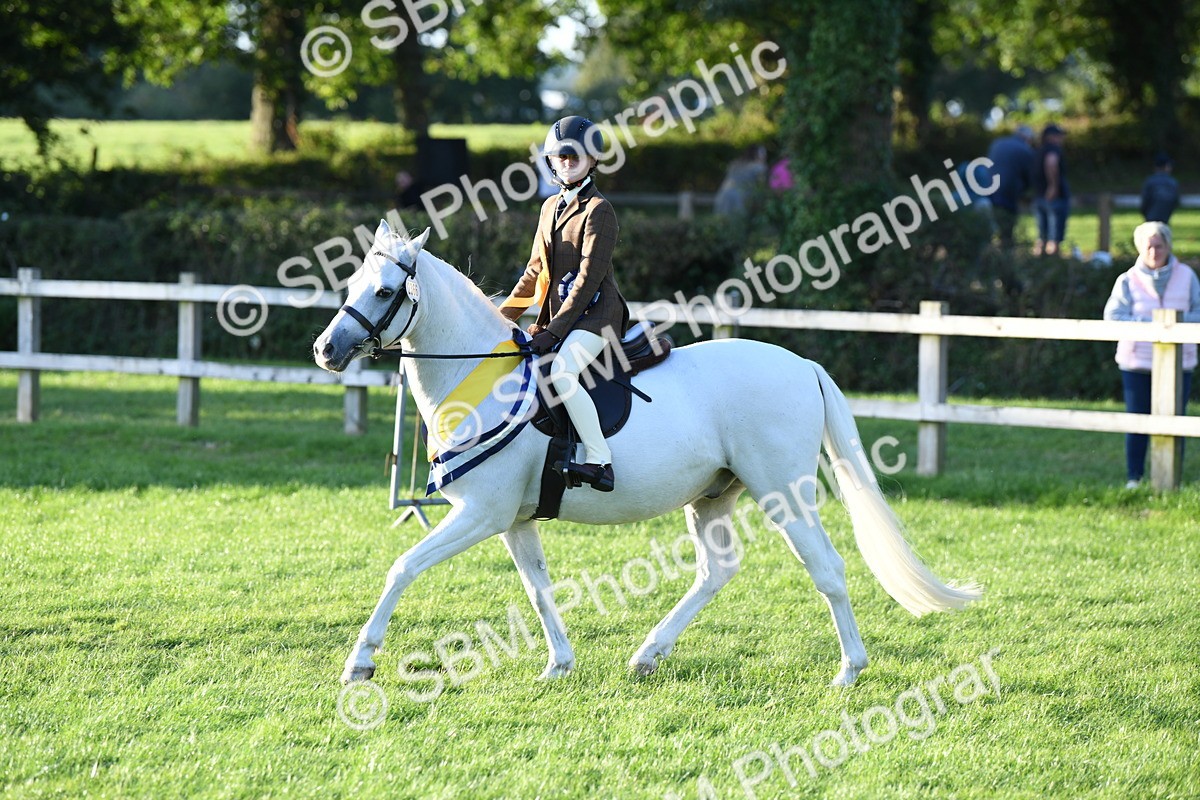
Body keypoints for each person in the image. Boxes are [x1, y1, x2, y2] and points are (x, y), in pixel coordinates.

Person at [499, 116, 630, 492]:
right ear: (551, 162)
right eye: (560, 157)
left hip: (597, 318)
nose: (568, 163)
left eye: (576, 157)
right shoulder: (548, 208)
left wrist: (554, 331)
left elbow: (588, 281)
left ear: (593, 161)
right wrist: (498, 319)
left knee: (561, 372)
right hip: (561, 319)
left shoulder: (599, 210)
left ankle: (599, 459)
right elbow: (533, 272)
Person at [1102, 221, 1200, 488]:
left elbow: (1198, 312)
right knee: (1138, 419)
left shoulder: (1187, 276)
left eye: (1159, 246)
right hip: (1138, 361)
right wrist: (1151, 326)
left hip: (1180, 361)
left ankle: (1171, 478)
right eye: (1149, 246)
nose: (1154, 252)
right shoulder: (1127, 280)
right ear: (1140, 249)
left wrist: (1172, 325)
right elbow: (1113, 317)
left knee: (1175, 420)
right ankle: (1134, 477)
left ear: (1168, 246)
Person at [984, 124, 1036, 248]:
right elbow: (1031, 176)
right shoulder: (1026, 151)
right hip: (1008, 191)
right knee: (1007, 226)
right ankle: (1006, 251)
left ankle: (987, 248)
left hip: (987, 188)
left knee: (989, 222)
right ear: (1028, 138)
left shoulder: (997, 143)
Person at [1033, 123, 1070, 257]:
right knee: (1054, 237)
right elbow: (1051, 163)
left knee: (1041, 235)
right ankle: (1054, 265)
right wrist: (1053, 186)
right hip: (1054, 196)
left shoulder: (1039, 149)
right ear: (1051, 137)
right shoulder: (1053, 149)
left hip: (1039, 195)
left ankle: (1039, 264)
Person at [714, 145, 767, 217]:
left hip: (723, 195)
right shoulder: (759, 167)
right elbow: (761, 187)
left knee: (723, 223)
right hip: (740, 198)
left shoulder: (735, 163)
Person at [1140, 153, 1179, 224]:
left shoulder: (1150, 181)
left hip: (1150, 218)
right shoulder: (1173, 182)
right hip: (1165, 219)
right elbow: (1176, 201)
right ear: (1166, 166)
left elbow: (1145, 201)